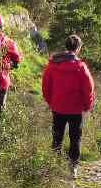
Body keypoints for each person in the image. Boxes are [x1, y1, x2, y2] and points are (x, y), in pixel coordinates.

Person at [41, 34, 96, 175]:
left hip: (58, 107)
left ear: (66, 46)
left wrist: (50, 101)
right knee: (75, 138)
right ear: (78, 48)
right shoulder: (81, 67)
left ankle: (53, 165)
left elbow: (46, 85)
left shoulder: (53, 64)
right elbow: (89, 89)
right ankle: (73, 168)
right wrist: (87, 106)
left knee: (57, 136)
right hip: (75, 109)